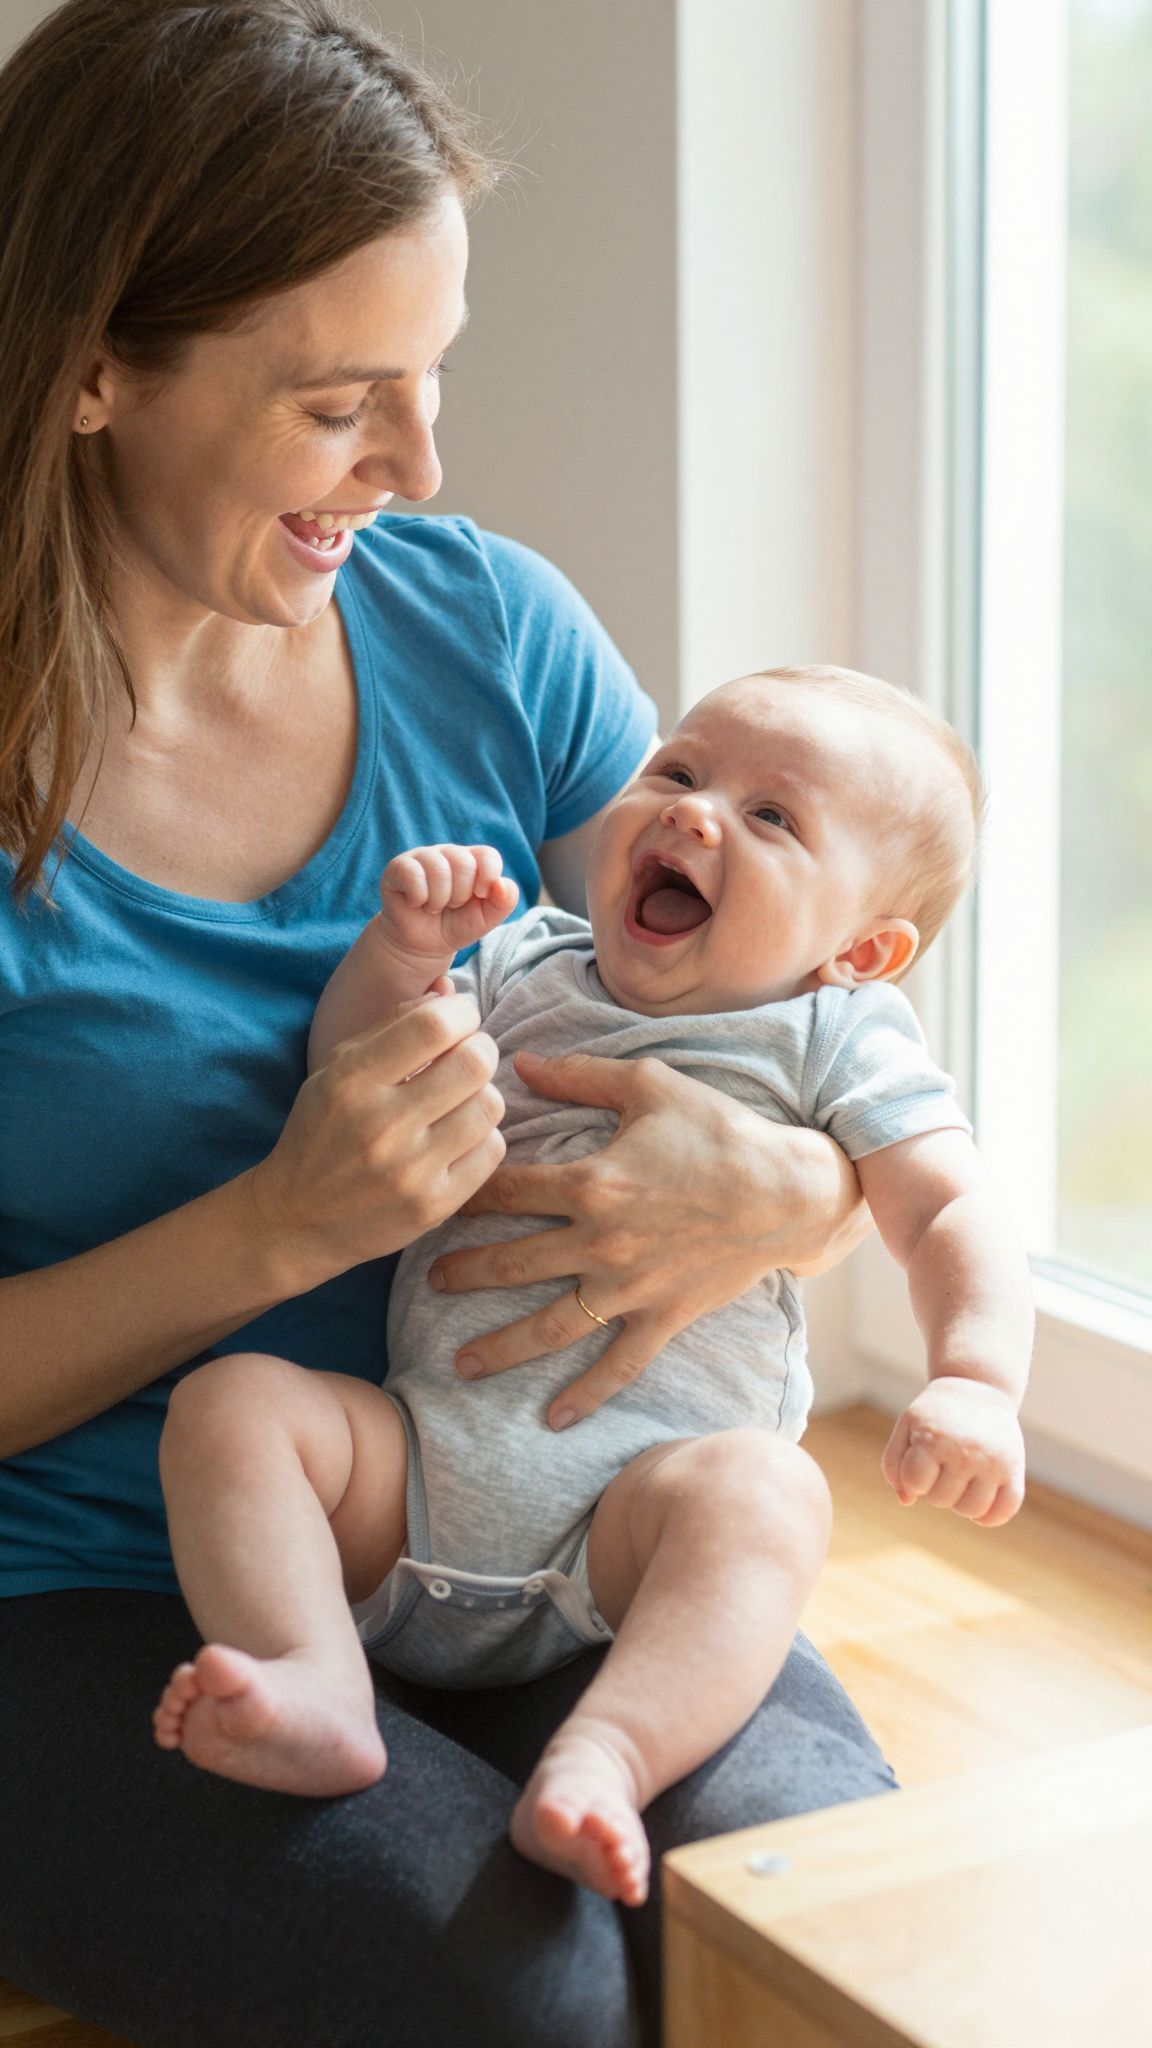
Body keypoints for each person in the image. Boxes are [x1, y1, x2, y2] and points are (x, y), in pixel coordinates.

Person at [0, 3, 899, 2043]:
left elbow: (778, 1005)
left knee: (821, 1923)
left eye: (434, 379)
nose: (417, 470)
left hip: (547, 1518)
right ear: (90, 368)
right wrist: (273, 1233)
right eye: (341, 406)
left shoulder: (481, 622)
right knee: (536, 2004)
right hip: (88, 1583)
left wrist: (793, 1182)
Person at [152, 666, 1033, 1907]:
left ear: (863, 950)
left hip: (628, 1532)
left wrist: (977, 1379)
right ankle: (313, 1673)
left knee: (767, 1491)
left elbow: (948, 1203)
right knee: (233, 1406)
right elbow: (358, 1069)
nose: (693, 812)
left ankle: (610, 1751)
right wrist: (404, 956)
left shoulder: (837, 1037)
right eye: (677, 770)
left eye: (773, 817)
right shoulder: (522, 962)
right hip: (411, 1484)